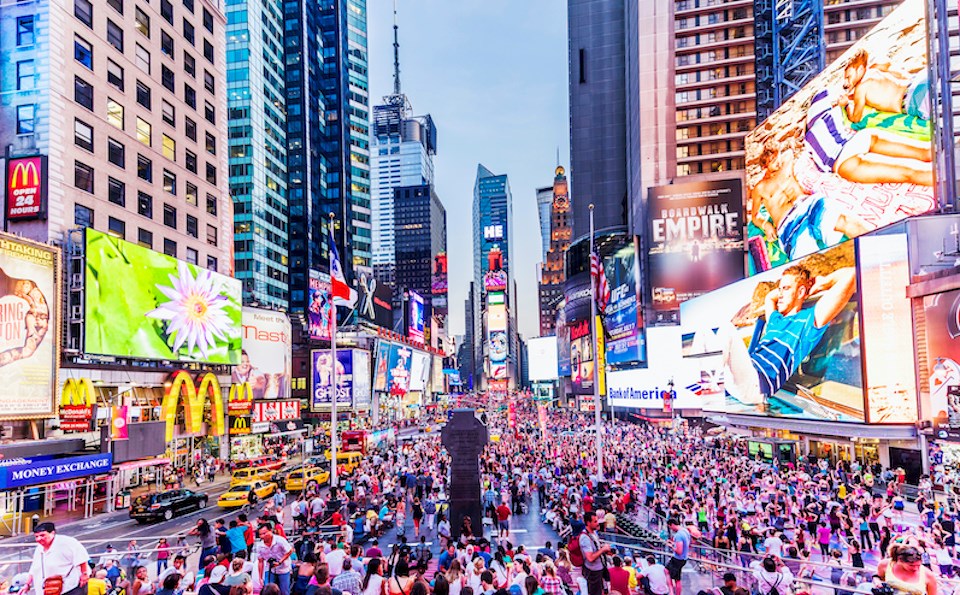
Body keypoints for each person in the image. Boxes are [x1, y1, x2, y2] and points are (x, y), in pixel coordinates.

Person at [721, 263, 857, 409]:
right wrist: (790, 289)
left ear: (800, 292)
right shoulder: (775, 320)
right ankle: (709, 386)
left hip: (758, 386)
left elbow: (853, 274)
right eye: (779, 289)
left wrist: (825, 283)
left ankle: (710, 385)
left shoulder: (808, 321)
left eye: (785, 289)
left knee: (726, 329)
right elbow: (769, 297)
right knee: (704, 334)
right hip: (742, 379)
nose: (779, 294)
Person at [25, 522, 90, 595]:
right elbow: (34, 568)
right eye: (36, 536)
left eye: (42, 535)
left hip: (71, 586)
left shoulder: (67, 542)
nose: (39, 539)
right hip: (50, 589)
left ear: (52, 533)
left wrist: (84, 574)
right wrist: (27, 584)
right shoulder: (39, 548)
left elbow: (81, 558)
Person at [579, 511, 612, 595]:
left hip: (599, 568)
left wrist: (602, 547)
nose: (597, 523)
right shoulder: (585, 538)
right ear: (588, 523)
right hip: (593, 572)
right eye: (595, 522)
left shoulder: (593, 533)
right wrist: (602, 550)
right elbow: (590, 558)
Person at [257, 522, 294, 595]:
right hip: (270, 569)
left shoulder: (280, 540)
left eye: (264, 533)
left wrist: (280, 561)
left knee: (284, 591)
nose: (262, 536)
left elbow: (290, 551)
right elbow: (260, 561)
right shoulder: (260, 546)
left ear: (270, 531)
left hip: (283, 568)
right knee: (267, 590)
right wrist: (260, 577)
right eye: (260, 534)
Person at [666, 517, 691, 595]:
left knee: (666, 571)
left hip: (678, 558)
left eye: (670, 527)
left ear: (672, 524)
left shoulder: (678, 535)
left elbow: (679, 551)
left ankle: (671, 591)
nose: (671, 529)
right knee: (677, 578)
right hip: (684, 558)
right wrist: (674, 544)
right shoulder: (685, 531)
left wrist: (671, 546)